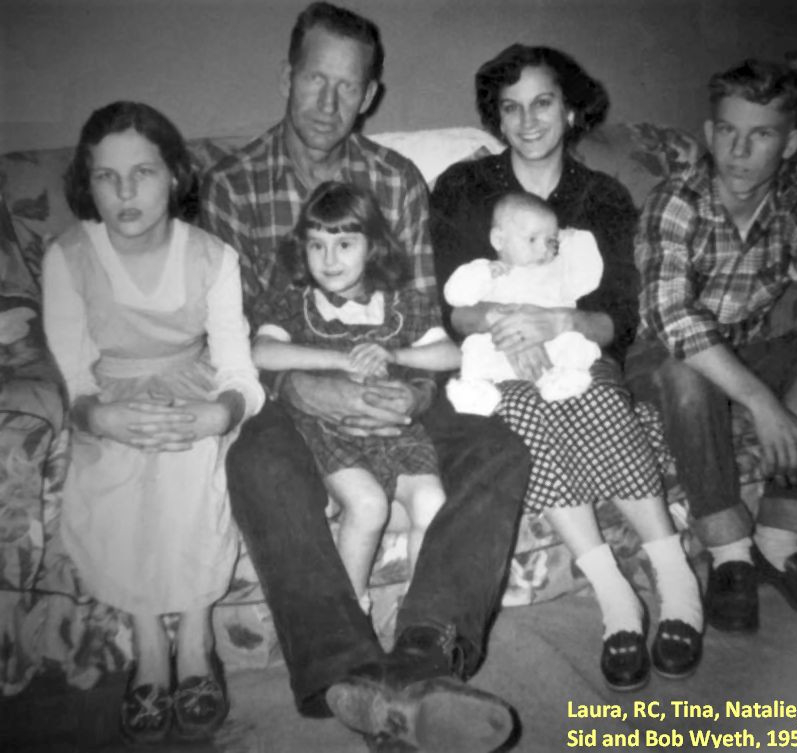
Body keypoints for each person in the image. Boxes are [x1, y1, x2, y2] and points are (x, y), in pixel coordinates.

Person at [199, 4, 526, 750]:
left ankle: (421, 654)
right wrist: (304, 387)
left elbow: (419, 318)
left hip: (395, 382)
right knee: (255, 459)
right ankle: (342, 665)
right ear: (287, 76)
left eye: (347, 87)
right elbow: (233, 336)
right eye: (315, 80)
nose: (328, 102)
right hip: (293, 389)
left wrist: (406, 392)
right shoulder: (231, 186)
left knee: (497, 449)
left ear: (370, 95)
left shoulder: (397, 180)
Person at [431, 44, 704, 693]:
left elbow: (620, 316)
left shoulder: (602, 197)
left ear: (572, 109)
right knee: (524, 418)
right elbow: (447, 303)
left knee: (601, 402)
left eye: (543, 102)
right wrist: (509, 323)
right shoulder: (463, 189)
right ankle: (615, 595)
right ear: (495, 118)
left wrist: (555, 324)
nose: (528, 121)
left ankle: (674, 575)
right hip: (498, 358)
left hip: (578, 350)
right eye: (510, 107)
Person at [42, 101, 265, 744]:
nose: (124, 192)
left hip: (193, 386)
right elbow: (75, 378)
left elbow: (239, 374)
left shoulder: (213, 257)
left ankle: (195, 641)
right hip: (112, 395)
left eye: (141, 172)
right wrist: (101, 417)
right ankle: (148, 645)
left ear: (174, 175)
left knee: (192, 462)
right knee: (116, 469)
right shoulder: (67, 258)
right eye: (106, 177)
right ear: (88, 183)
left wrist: (215, 415)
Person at [626, 59, 797, 634]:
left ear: (790, 144)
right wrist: (766, 405)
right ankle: (731, 554)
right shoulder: (677, 199)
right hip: (657, 359)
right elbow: (671, 317)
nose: (739, 152)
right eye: (728, 133)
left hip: (742, 352)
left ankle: (778, 537)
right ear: (710, 134)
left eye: (760, 135)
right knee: (686, 371)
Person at [252, 180, 460, 612]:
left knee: (433, 501)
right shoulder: (295, 303)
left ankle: (418, 615)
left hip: (399, 434)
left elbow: (450, 353)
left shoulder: (404, 304)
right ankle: (349, 613)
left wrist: (394, 351)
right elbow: (263, 351)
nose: (329, 259)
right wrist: (339, 359)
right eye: (316, 246)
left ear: (373, 248)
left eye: (344, 244)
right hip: (331, 432)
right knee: (367, 505)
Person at [444, 191, 602, 414]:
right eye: (532, 239)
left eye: (550, 241)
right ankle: (476, 390)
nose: (542, 249)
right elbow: (455, 295)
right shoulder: (490, 270)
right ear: (499, 240)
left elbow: (588, 280)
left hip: (552, 349)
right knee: (475, 348)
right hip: (501, 348)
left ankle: (564, 380)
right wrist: (483, 273)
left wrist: (577, 240)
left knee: (578, 343)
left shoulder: (558, 271)